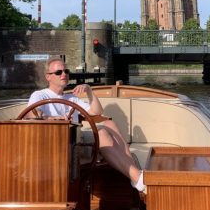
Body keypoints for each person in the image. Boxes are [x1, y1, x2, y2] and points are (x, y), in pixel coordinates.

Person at [27, 58, 145, 192]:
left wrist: (89, 91)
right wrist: (55, 119)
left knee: (108, 123)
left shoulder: (71, 98)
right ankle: (137, 176)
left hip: (75, 139)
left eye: (66, 71)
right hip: (59, 143)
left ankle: (135, 175)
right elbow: (32, 114)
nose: (64, 75)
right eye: (59, 72)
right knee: (101, 133)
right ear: (48, 77)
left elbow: (97, 111)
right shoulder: (39, 95)